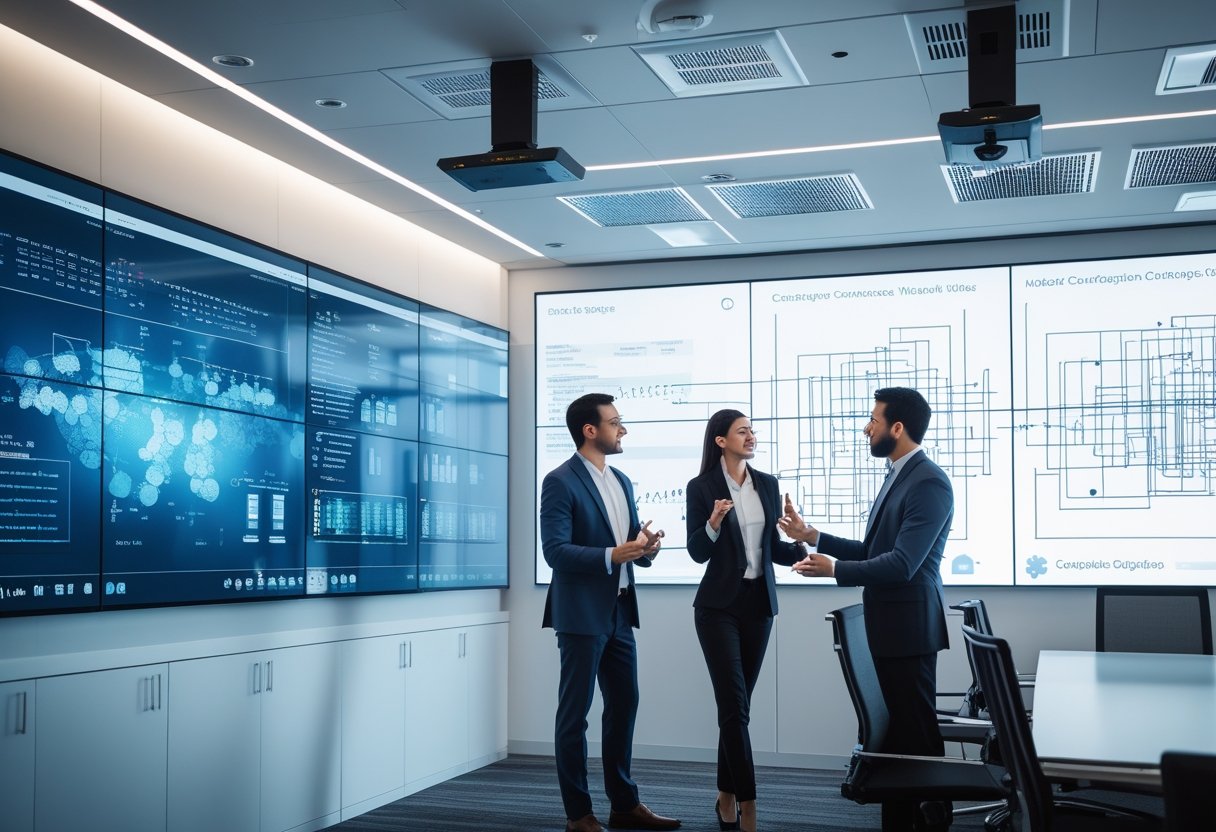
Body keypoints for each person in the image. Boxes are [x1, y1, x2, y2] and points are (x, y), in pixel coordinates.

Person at [779, 387, 954, 832]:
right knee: (897, 740)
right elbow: (875, 549)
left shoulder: (928, 481)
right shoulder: (898, 474)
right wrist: (813, 535)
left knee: (915, 738)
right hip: (890, 625)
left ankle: (931, 820)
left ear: (897, 428)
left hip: (908, 628)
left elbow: (901, 564)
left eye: (873, 420)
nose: (866, 428)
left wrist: (835, 569)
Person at [540, 393, 682, 832]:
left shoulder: (622, 480)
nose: (622, 430)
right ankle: (578, 814)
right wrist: (612, 553)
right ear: (590, 430)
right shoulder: (560, 481)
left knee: (624, 705)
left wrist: (645, 549)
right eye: (615, 422)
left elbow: (629, 549)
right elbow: (555, 552)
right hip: (581, 613)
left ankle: (624, 804)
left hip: (620, 611)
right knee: (575, 714)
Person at [686, 410, 805, 832]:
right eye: (742, 431)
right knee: (734, 708)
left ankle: (725, 793)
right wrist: (714, 524)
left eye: (752, 430)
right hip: (717, 609)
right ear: (720, 440)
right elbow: (697, 552)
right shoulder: (700, 488)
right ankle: (749, 811)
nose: (751, 436)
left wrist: (802, 545)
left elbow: (772, 547)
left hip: (758, 608)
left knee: (737, 710)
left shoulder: (767, 485)